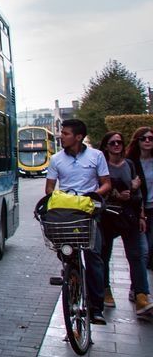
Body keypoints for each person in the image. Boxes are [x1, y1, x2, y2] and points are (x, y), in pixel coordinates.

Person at [45, 119, 112, 324]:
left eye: (65, 134)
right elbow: (49, 189)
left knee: (94, 258)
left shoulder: (96, 156)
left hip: (89, 213)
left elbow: (106, 184)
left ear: (78, 137)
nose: (61, 136)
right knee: (67, 253)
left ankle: (96, 307)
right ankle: (72, 279)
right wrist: (61, 200)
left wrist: (92, 196)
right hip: (68, 212)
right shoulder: (56, 159)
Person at [97, 131, 151, 315]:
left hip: (129, 215)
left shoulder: (129, 164)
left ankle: (142, 296)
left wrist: (142, 215)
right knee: (104, 255)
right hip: (108, 216)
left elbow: (138, 193)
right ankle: (105, 291)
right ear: (106, 146)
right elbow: (98, 188)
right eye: (112, 143)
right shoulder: (101, 165)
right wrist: (117, 194)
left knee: (137, 256)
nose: (117, 145)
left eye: (119, 142)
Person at [125, 126, 153, 270]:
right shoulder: (131, 162)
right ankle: (138, 287)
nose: (148, 141)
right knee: (143, 250)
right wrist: (132, 187)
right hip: (139, 210)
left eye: (151, 138)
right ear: (138, 141)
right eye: (144, 138)